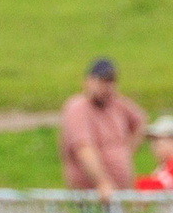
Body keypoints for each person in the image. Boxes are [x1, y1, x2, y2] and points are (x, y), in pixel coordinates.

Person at [58, 56, 147, 201]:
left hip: (119, 196)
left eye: (111, 82)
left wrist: (126, 151)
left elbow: (140, 120)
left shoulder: (117, 106)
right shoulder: (78, 108)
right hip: (91, 198)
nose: (107, 87)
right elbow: (84, 149)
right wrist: (102, 182)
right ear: (88, 81)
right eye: (102, 82)